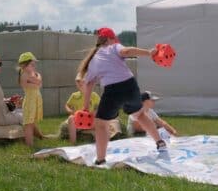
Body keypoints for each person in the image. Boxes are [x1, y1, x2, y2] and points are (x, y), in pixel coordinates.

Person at [79, 27, 167, 165]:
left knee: (101, 124)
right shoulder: (114, 47)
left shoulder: (94, 61)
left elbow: (88, 84)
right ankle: (160, 143)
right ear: (110, 39)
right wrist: (149, 52)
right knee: (140, 115)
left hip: (113, 91)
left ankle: (100, 159)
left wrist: (85, 107)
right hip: (130, 86)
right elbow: (127, 51)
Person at [60, 73, 121, 144]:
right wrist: (70, 111)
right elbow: (67, 105)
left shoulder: (94, 95)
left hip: (90, 120)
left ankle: (99, 137)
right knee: (71, 118)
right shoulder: (74, 96)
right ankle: (73, 142)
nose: (80, 83)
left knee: (101, 121)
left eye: (82, 81)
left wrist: (95, 112)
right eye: (78, 81)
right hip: (77, 120)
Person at [18, 52, 44, 146]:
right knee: (28, 123)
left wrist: (36, 81)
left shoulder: (33, 74)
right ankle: (29, 144)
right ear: (24, 66)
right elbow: (32, 84)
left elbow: (39, 83)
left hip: (34, 100)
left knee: (31, 122)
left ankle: (33, 140)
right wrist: (36, 81)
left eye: (34, 65)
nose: (34, 66)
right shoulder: (24, 75)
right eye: (32, 65)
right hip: (29, 102)